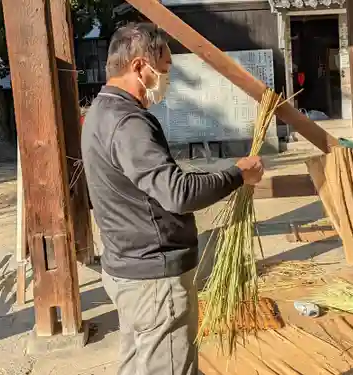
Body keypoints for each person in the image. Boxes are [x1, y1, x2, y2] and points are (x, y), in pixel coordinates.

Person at [81, 22, 264, 375]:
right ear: (138, 67)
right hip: (154, 279)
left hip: (126, 269)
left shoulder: (99, 114)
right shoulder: (129, 122)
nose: (165, 79)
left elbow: (155, 182)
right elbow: (177, 194)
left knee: (138, 365)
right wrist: (238, 174)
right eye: (163, 70)